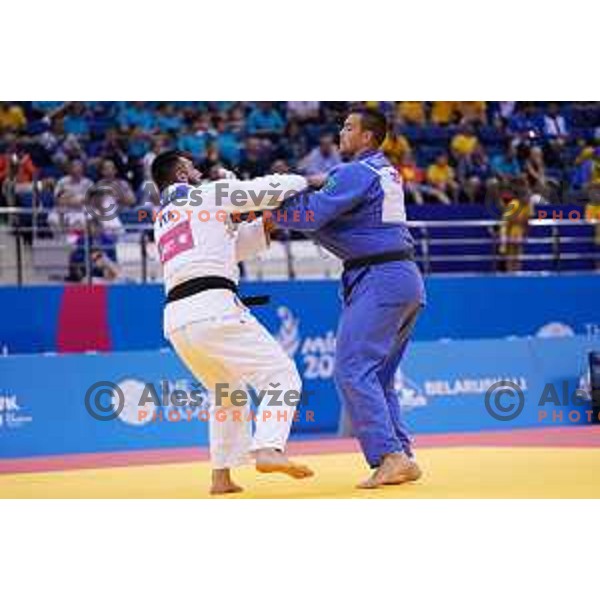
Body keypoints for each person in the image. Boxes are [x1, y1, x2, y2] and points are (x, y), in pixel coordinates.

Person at [274, 108, 425, 489]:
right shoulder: (384, 172)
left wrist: (272, 205)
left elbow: (312, 214)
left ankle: (388, 456)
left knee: (352, 370)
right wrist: (301, 188)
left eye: (348, 127)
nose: (341, 132)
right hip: (403, 278)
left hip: (380, 278)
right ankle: (402, 456)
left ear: (369, 138)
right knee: (379, 376)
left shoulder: (356, 172)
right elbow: (331, 220)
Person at [150, 150, 313, 494]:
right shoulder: (206, 195)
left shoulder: (163, 219)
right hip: (214, 308)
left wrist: (264, 225)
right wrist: (307, 181)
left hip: (179, 321)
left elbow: (225, 249)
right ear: (181, 175)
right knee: (282, 376)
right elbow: (267, 188)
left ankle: (220, 476)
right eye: (191, 167)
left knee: (227, 394)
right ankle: (268, 448)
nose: (198, 171)